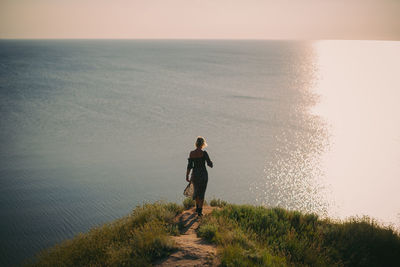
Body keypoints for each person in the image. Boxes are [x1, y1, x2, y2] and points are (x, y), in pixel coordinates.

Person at [186, 136, 213, 216]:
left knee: (196, 191)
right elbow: (210, 164)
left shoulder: (192, 153)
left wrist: (187, 175)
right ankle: (200, 212)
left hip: (195, 174)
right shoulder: (204, 153)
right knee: (202, 192)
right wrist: (211, 161)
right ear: (203, 144)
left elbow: (189, 166)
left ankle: (197, 209)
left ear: (196, 144)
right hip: (203, 175)